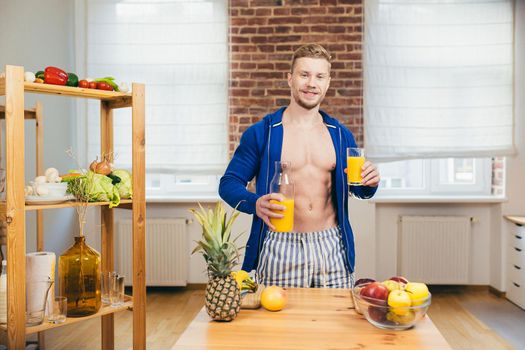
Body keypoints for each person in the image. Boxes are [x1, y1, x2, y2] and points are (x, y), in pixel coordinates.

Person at [219, 44, 380, 288]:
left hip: (332, 247)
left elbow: (358, 189)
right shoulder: (262, 133)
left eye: (319, 76)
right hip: (280, 245)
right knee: (277, 325)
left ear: (327, 82)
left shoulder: (339, 134)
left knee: (335, 325)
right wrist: (255, 204)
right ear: (290, 78)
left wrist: (371, 182)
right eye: (304, 74)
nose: (311, 83)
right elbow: (228, 184)